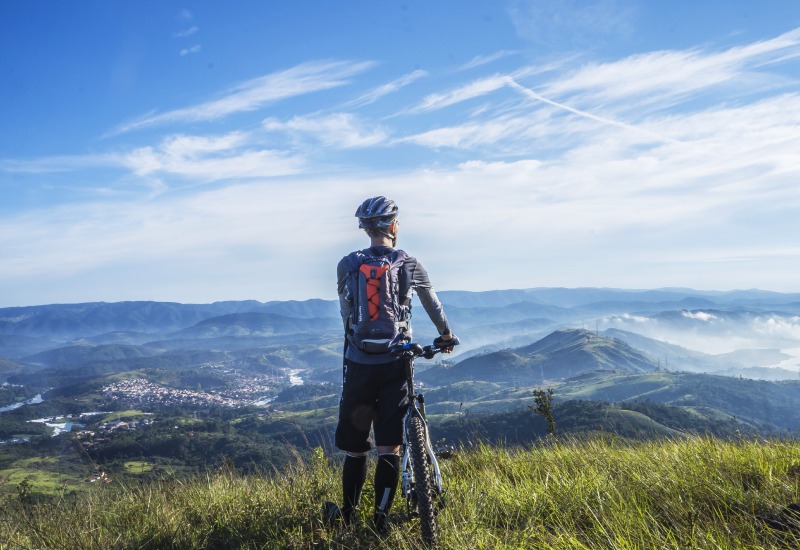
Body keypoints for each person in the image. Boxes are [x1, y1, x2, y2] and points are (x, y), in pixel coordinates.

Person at [329, 195, 456, 532]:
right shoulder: (409, 263)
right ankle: (380, 519)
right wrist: (445, 335)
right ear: (394, 225)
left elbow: (346, 313)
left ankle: (346, 516)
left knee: (356, 451)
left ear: (365, 228)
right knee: (390, 446)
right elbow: (433, 304)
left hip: (358, 362)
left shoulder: (347, 264)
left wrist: (354, 346)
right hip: (396, 362)